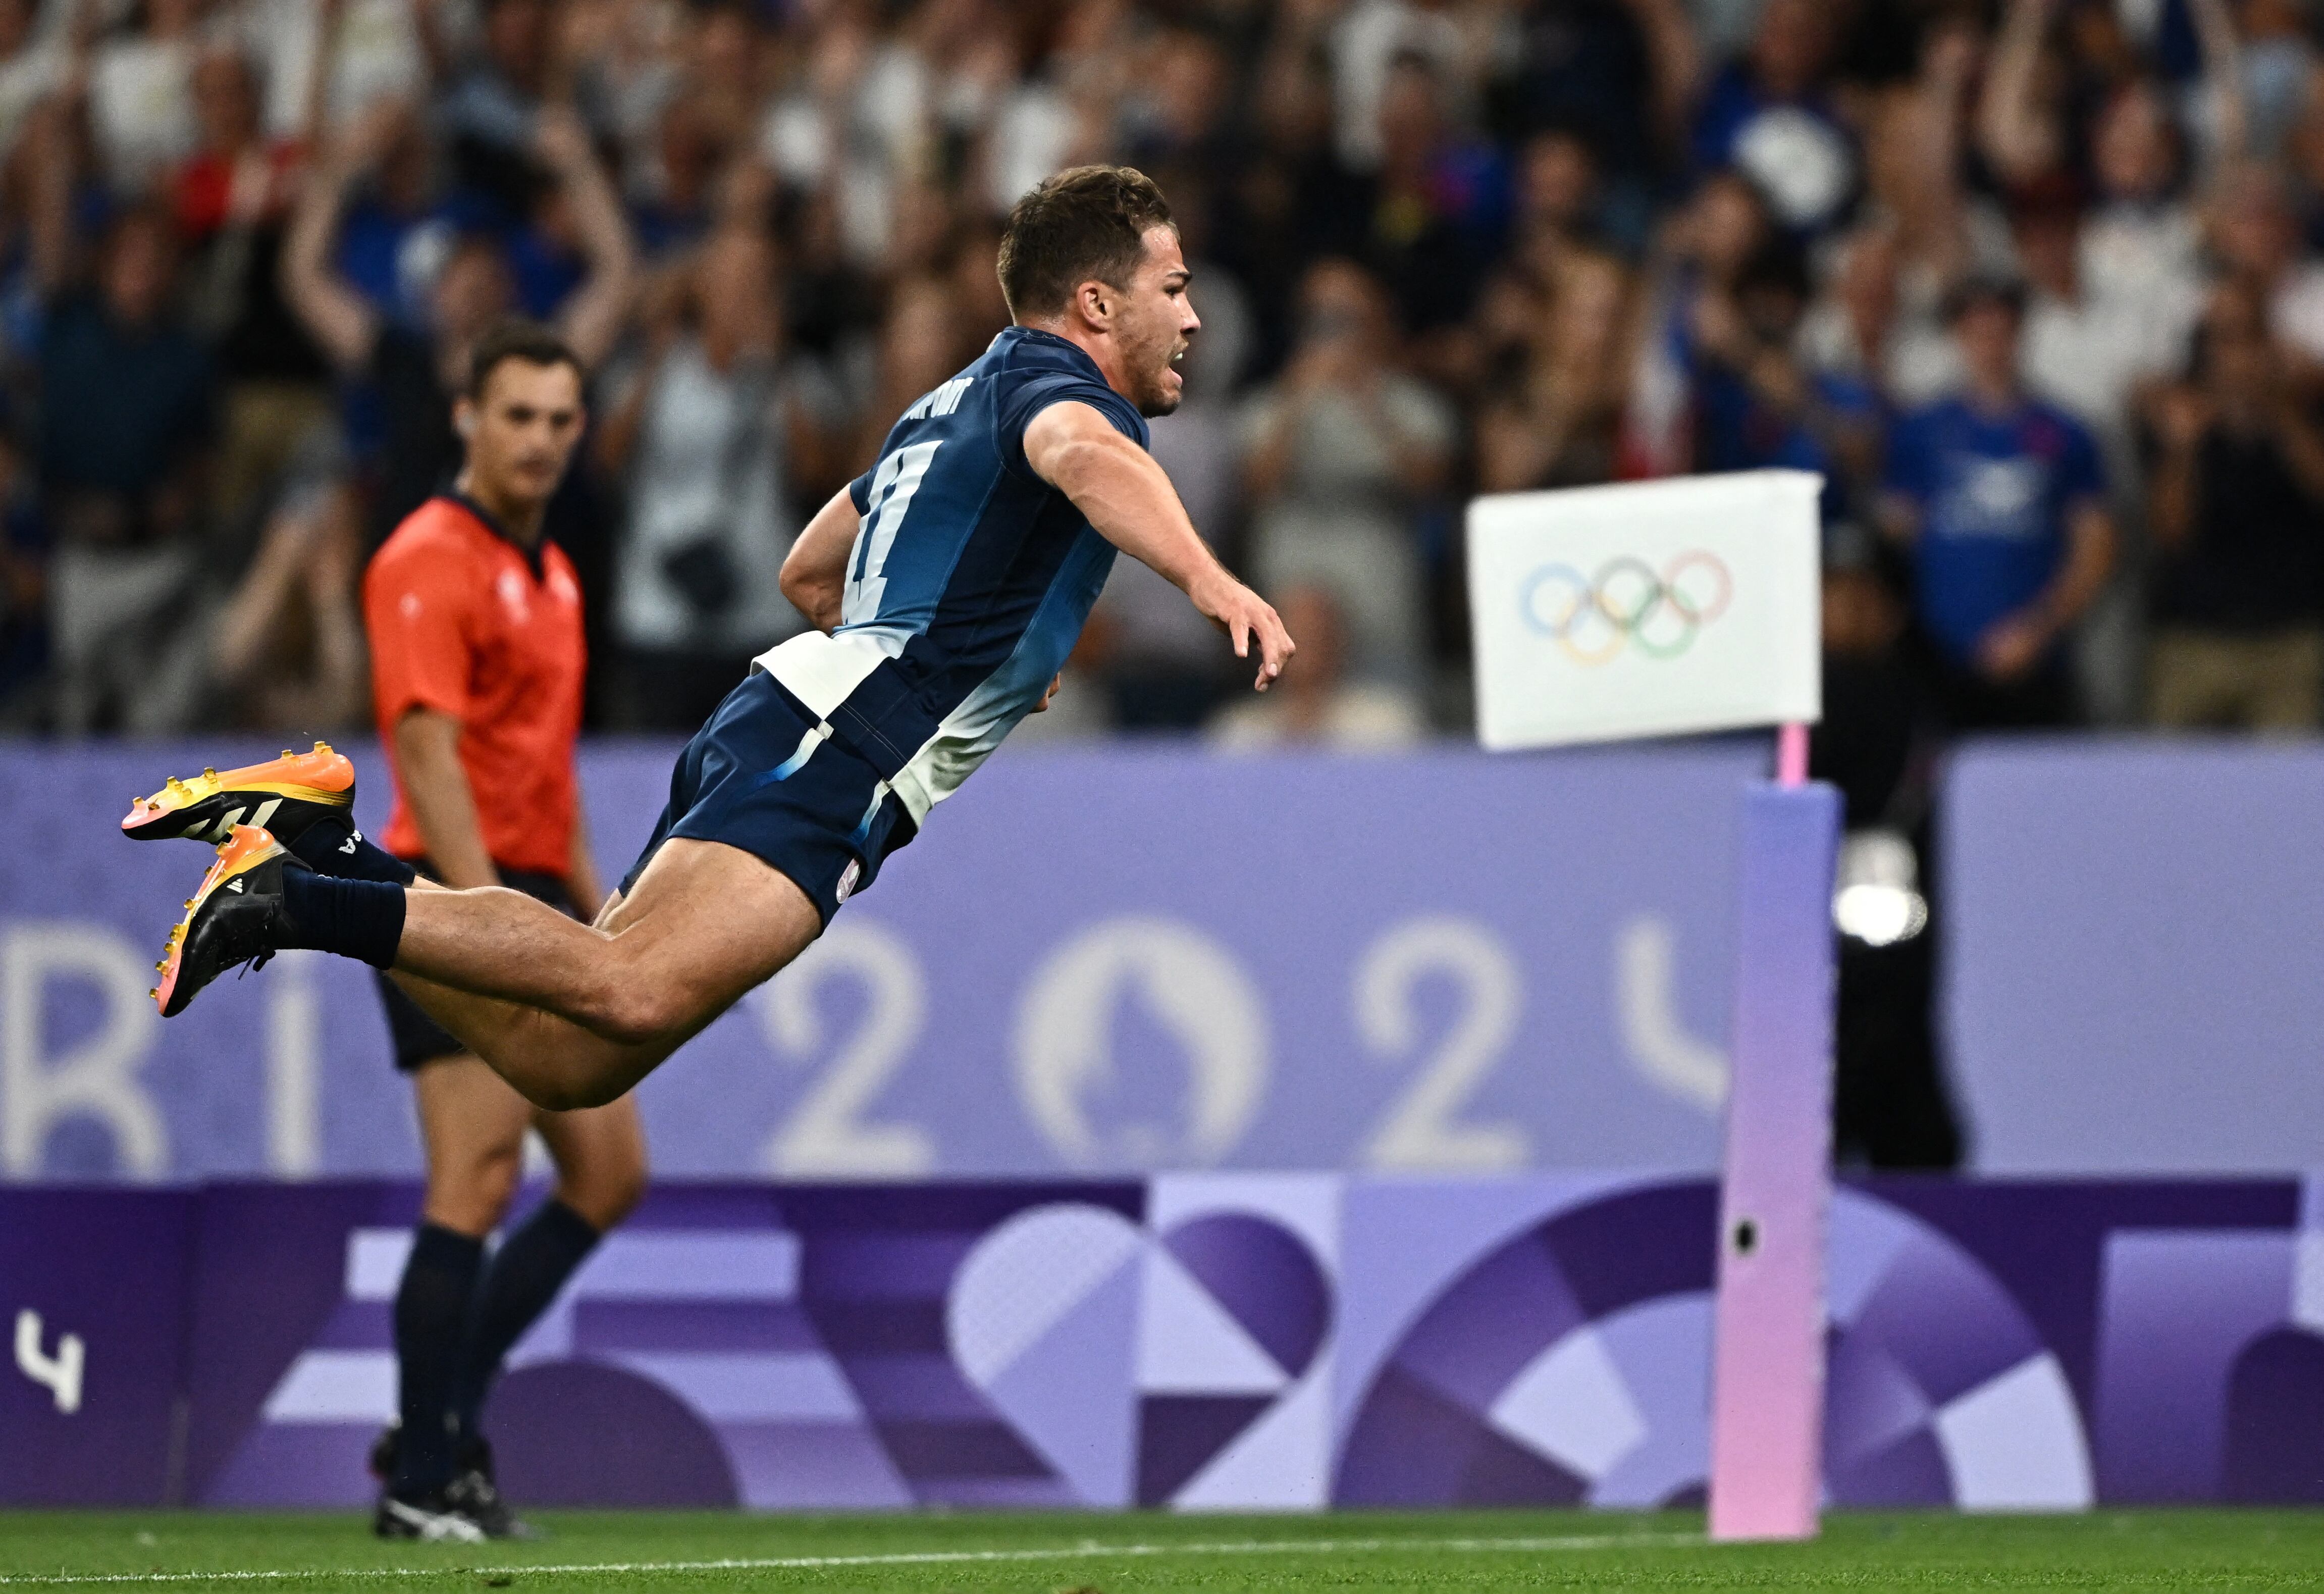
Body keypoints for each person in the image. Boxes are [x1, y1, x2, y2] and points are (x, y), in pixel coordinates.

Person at [128, 166, 1292, 1129]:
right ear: (1095, 304)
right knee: (624, 991)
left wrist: (991, 651)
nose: (1191, 317)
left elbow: (805, 567)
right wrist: (1205, 575)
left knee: (568, 1063)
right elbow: (1087, 463)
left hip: (791, 713)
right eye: (1172, 288)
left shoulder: (948, 400)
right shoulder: (1066, 397)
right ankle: (284, 896)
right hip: (843, 743)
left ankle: (323, 842)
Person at [127, 320, 646, 1541]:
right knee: (473, 1176)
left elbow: (546, 769)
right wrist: (480, 919)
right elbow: (426, 748)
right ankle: (423, 1480)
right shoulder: (425, 556)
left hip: (531, 886)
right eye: (516, 415)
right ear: (466, 418)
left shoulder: (553, 570)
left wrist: (591, 903)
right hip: (441, 889)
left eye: (560, 421)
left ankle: (435, 1435)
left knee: (609, 1175)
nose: (538, 441)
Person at [1880, 277, 2118, 731]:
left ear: (2020, 333)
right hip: (1938, 663)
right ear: (1958, 338)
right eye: (1977, 332)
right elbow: (1898, 542)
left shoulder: (2065, 433)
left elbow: (2096, 548)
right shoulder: (1922, 432)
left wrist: (2039, 628)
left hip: (2035, 661)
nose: (1990, 345)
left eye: (2001, 330)